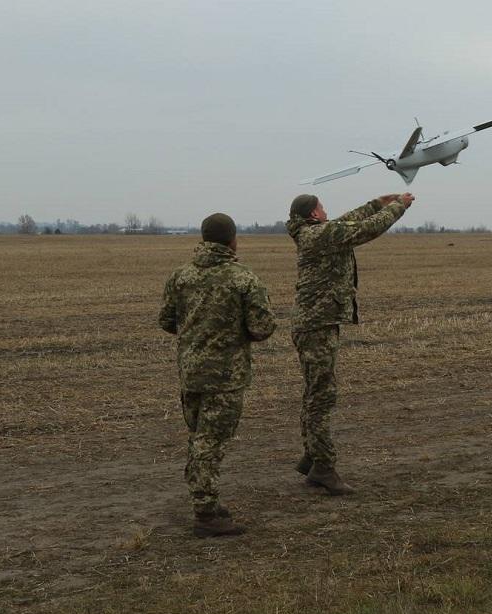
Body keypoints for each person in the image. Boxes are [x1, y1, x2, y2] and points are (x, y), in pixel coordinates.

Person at [286, 192, 414, 494]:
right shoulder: (320, 235)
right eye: (322, 207)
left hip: (315, 324)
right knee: (321, 397)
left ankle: (313, 457)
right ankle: (323, 467)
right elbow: (367, 229)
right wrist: (398, 207)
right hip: (317, 326)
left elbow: (349, 220)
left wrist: (376, 203)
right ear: (314, 215)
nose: (326, 211)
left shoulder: (316, 232)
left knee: (314, 393)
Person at [158, 212, 276, 536]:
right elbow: (263, 327)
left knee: (199, 439)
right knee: (210, 443)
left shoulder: (180, 276)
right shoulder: (243, 278)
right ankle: (206, 513)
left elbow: (167, 321)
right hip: (225, 376)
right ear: (232, 240)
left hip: (191, 372)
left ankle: (206, 501)